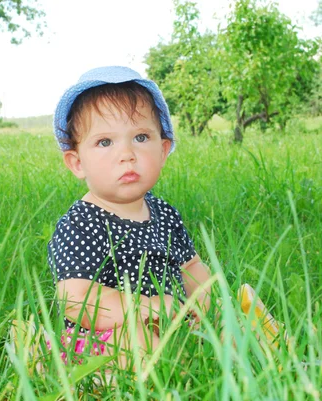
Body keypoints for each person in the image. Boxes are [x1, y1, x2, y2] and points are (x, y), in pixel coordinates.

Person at [46, 66, 214, 366]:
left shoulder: (165, 214)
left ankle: (269, 357)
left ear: (163, 150)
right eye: (105, 142)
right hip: (102, 337)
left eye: (140, 137)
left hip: (169, 322)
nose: (127, 154)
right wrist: (141, 307)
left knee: (240, 308)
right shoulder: (82, 223)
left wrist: (205, 306)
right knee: (141, 341)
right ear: (77, 162)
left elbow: (191, 266)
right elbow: (76, 299)